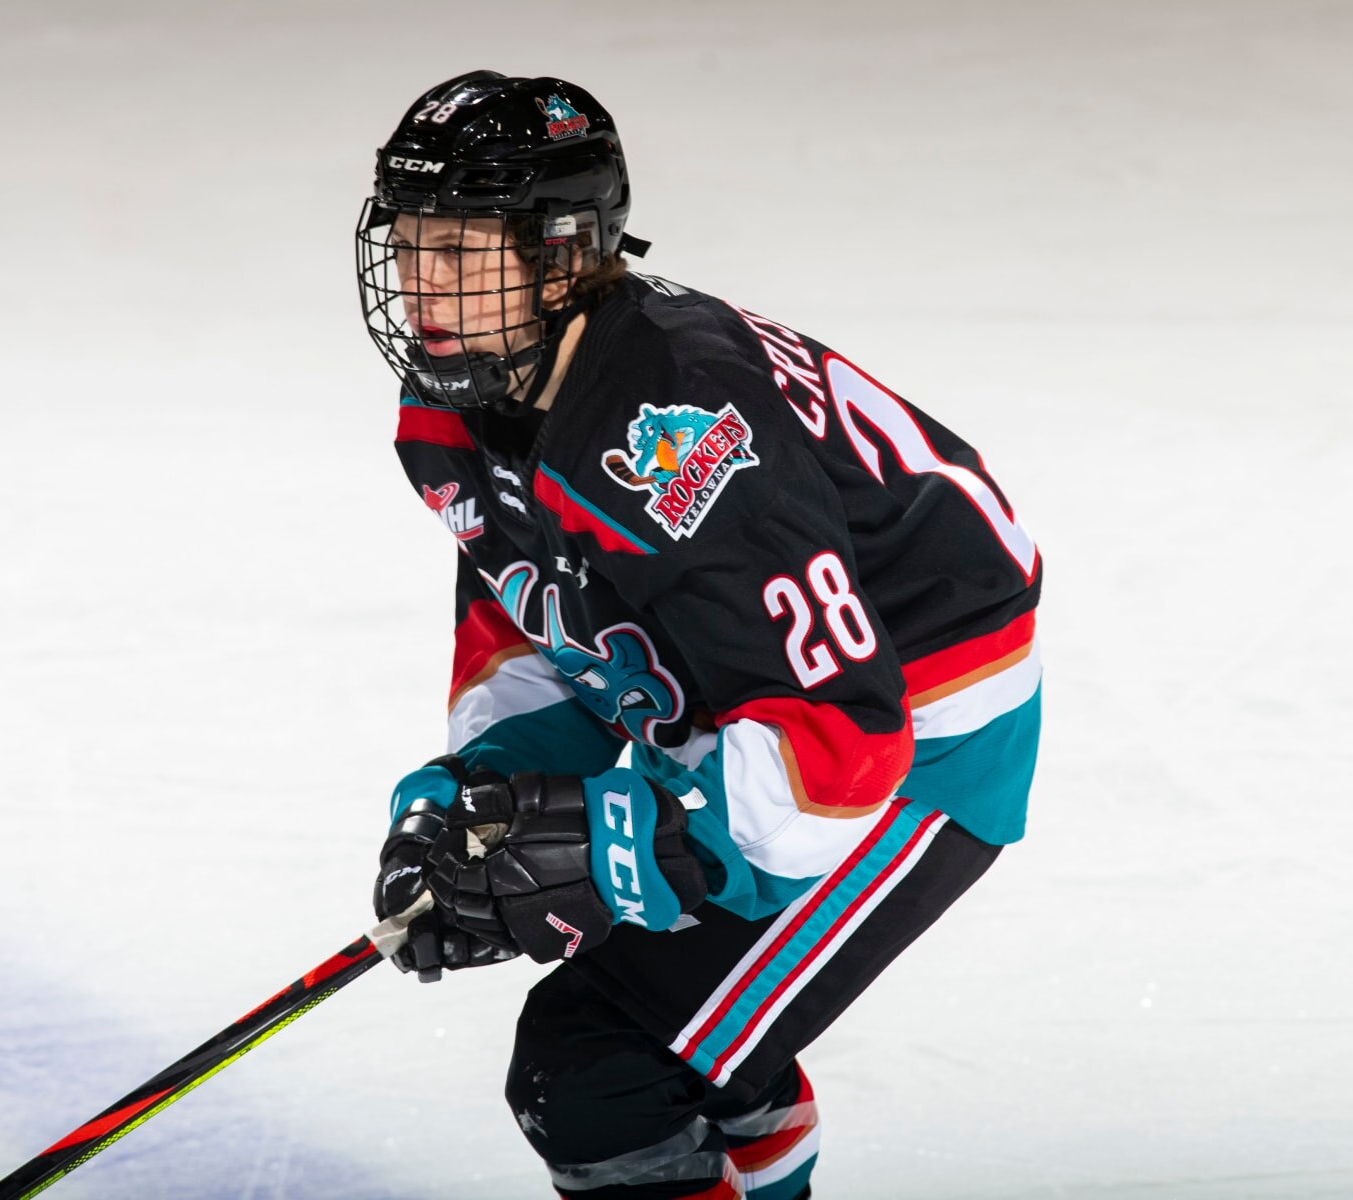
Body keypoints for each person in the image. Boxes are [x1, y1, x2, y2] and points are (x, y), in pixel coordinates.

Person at [360, 71, 1042, 1200]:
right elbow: (536, 619)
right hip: (752, 707)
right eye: (411, 245)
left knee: (600, 1067)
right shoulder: (459, 402)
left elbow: (841, 741)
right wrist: (480, 799)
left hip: (913, 743)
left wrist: (623, 838)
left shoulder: (675, 440)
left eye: (462, 252)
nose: (421, 289)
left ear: (564, 255)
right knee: (701, 1054)